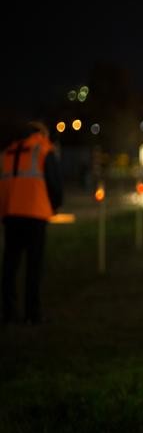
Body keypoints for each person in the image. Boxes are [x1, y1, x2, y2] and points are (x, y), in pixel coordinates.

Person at [1, 121, 63, 325]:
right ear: (41, 133)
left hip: (11, 214)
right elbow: (53, 182)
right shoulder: (43, 149)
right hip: (35, 214)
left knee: (10, 265)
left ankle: (8, 312)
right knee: (33, 266)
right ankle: (32, 314)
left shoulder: (8, 151)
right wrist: (54, 206)